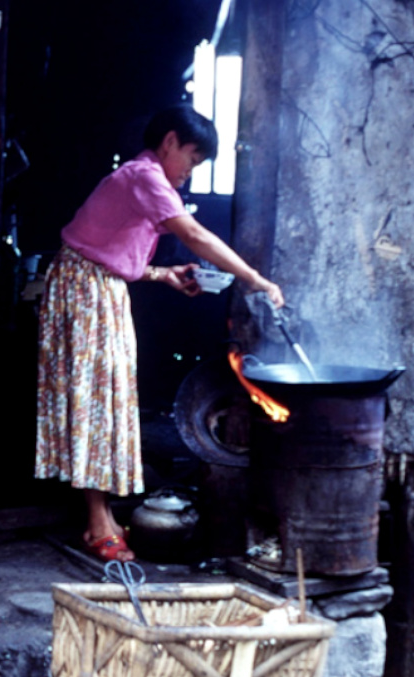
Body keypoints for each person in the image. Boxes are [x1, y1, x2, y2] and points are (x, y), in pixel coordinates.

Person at [34, 104, 285, 563]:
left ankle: (102, 516)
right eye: (192, 157)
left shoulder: (142, 180)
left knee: (105, 399)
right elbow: (194, 234)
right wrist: (256, 278)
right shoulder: (144, 177)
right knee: (94, 399)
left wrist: (164, 274)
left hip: (95, 287)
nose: (191, 170)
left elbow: (109, 251)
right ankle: (96, 522)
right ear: (169, 142)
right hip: (84, 290)